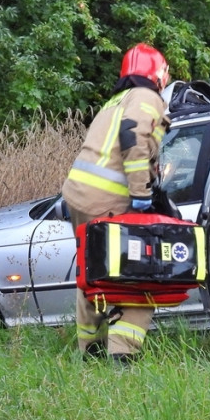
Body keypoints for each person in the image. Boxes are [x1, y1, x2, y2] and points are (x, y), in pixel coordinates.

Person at [62, 42, 171, 365]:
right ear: (157, 74)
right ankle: (123, 357)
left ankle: (90, 350)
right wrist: (141, 195)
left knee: (93, 275)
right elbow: (132, 139)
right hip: (110, 202)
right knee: (137, 278)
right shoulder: (147, 98)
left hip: (79, 198)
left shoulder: (115, 101)